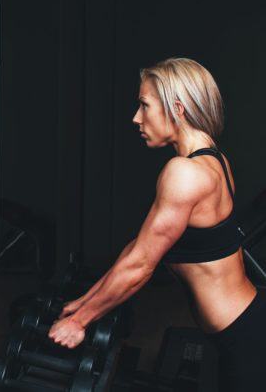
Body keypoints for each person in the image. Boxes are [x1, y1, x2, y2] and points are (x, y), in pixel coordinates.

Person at [48, 58, 263, 390]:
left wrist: (79, 323)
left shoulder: (184, 173)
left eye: (144, 105)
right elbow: (138, 248)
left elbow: (143, 264)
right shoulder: (214, 159)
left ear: (176, 108)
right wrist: (86, 302)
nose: (136, 117)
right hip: (246, 325)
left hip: (245, 340)